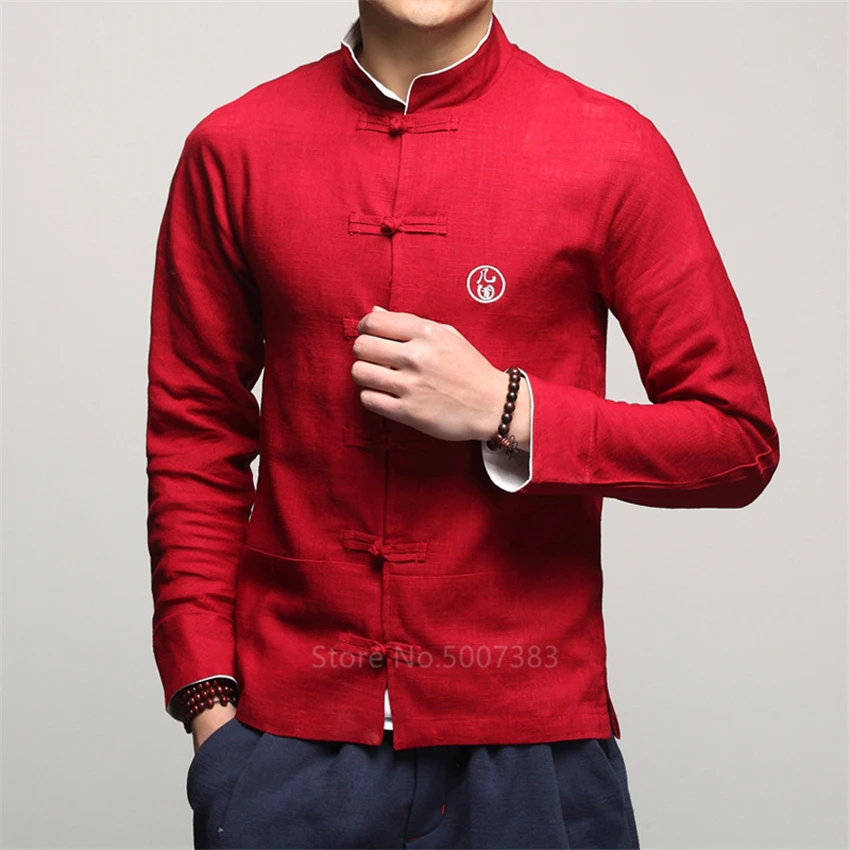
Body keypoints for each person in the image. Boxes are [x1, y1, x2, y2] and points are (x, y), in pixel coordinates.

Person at [145, 1, 780, 848]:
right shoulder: (235, 148)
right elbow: (193, 436)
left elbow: (737, 441)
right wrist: (207, 701)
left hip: (535, 749)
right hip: (284, 750)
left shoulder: (611, 146)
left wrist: (509, 410)